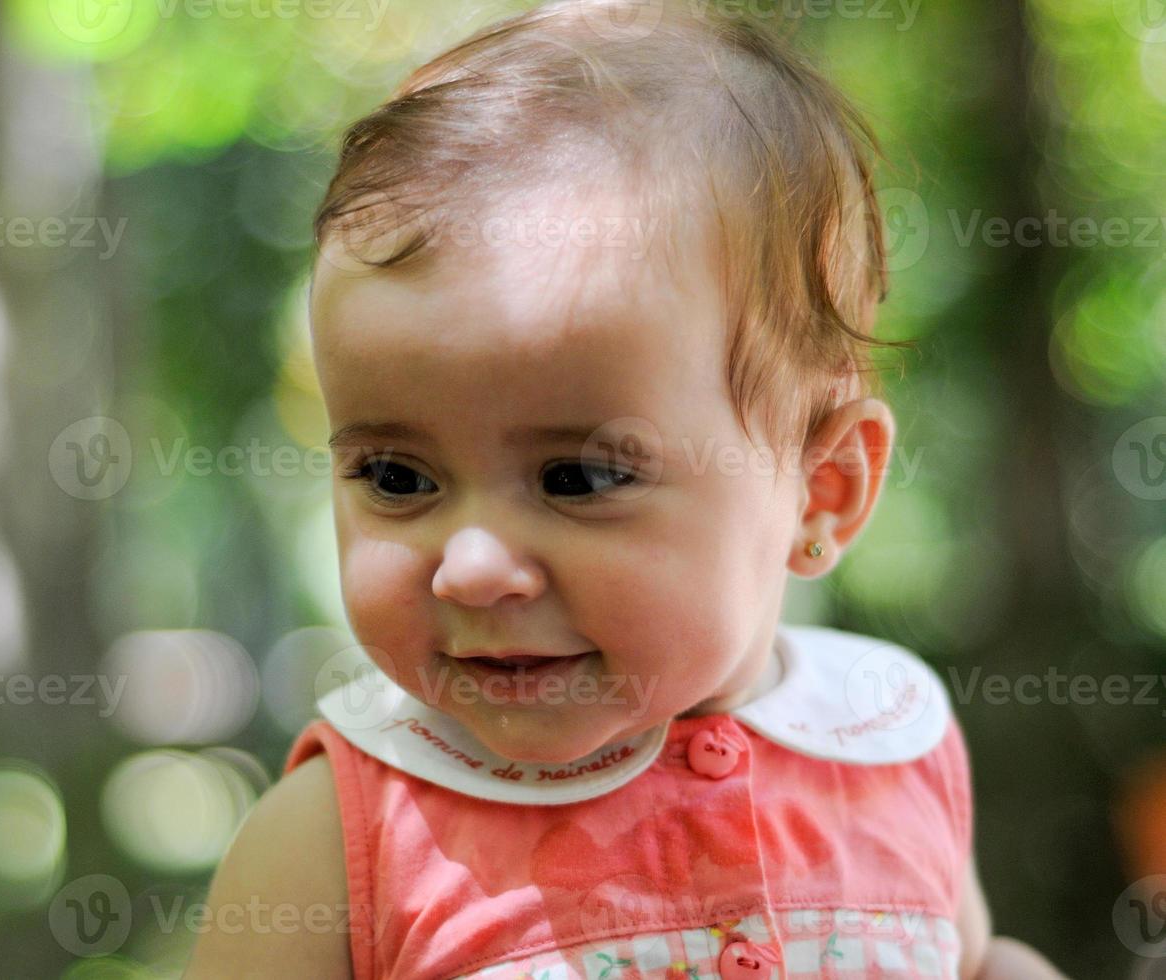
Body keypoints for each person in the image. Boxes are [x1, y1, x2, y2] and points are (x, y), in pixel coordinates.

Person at [186, 1, 1070, 976]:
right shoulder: (343, 834)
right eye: (396, 476)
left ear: (824, 489)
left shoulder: (883, 743)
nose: (472, 566)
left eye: (579, 477)